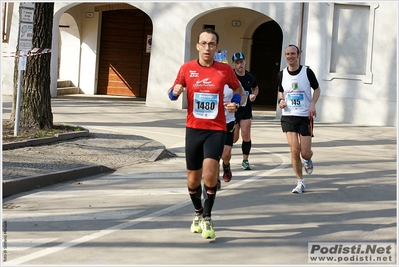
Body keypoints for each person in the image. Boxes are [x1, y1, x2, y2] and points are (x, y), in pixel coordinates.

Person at [168, 28, 246, 239]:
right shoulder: (187, 69)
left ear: (216, 48)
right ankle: (197, 213)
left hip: (216, 129)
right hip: (194, 129)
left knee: (210, 175)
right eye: (204, 43)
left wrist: (235, 105)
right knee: (193, 181)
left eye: (211, 44)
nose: (207, 47)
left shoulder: (224, 70)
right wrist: (174, 93)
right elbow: (172, 91)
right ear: (197, 46)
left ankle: (208, 217)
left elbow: (240, 92)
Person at [277, 44, 320, 194]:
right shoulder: (282, 74)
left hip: (304, 116)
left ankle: (308, 160)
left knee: (305, 152)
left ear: (298, 55)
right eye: (287, 54)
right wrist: (281, 101)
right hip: (288, 115)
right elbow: (281, 92)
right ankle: (300, 181)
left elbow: (317, 89)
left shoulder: (307, 72)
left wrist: (312, 104)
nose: (290, 56)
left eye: (293, 54)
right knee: (294, 149)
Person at [231, 52, 259, 170]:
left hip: (246, 109)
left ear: (245, 61)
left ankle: (245, 160)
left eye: (241, 62)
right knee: (234, 138)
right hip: (232, 110)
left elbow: (255, 87)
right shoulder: (230, 75)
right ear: (233, 64)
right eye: (237, 63)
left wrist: (253, 95)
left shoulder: (250, 76)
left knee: (246, 134)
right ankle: (224, 156)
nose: (239, 65)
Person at [217, 85, 241, 190]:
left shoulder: (230, 78)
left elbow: (240, 93)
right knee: (214, 154)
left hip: (228, 121)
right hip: (212, 122)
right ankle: (215, 179)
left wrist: (236, 104)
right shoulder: (207, 78)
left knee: (225, 154)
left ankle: (226, 166)